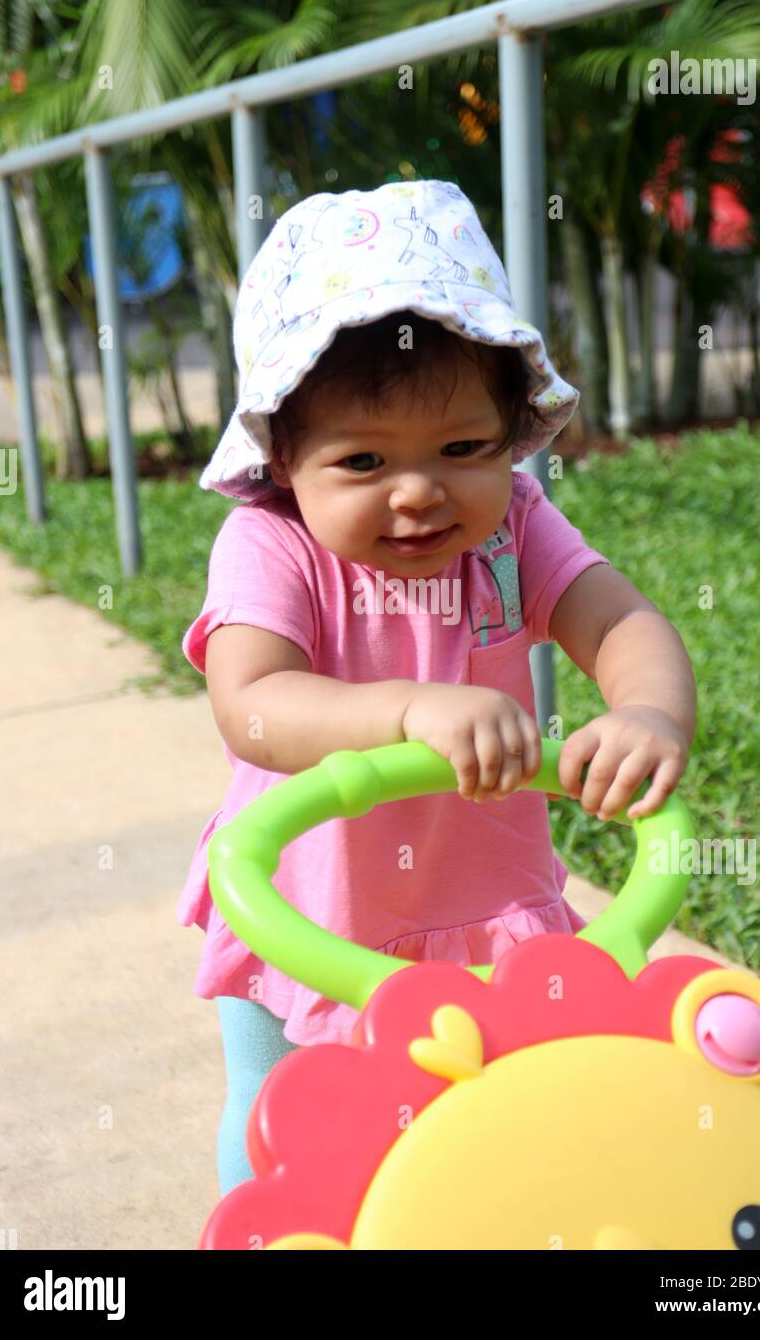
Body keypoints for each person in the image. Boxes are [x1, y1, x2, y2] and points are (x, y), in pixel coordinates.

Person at [178, 178, 697, 1196]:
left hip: (485, 899)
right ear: (282, 455)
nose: (418, 490)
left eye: (462, 449)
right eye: (363, 459)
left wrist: (645, 709)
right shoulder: (269, 544)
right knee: (283, 1113)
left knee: (497, 1110)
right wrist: (406, 709)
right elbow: (250, 704)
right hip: (310, 904)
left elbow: (620, 619)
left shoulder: (511, 530)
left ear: (512, 433)